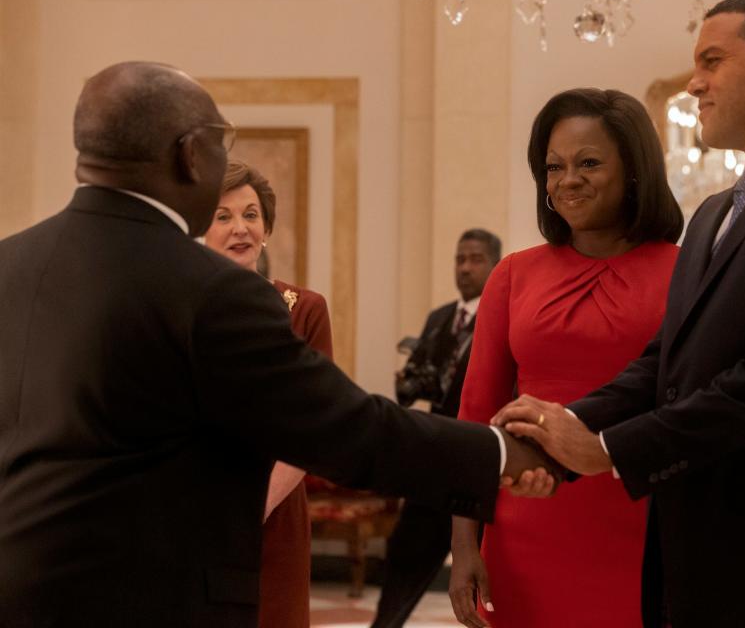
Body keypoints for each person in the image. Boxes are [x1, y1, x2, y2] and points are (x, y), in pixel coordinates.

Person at [0, 61, 556, 628]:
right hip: (158, 602)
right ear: (192, 154)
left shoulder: (9, 266)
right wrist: (501, 454)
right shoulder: (213, 290)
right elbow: (348, 430)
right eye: (223, 142)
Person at [494, 0, 745, 628]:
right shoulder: (715, 211)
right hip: (695, 555)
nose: (694, 83)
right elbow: (667, 362)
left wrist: (607, 451)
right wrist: (560, 429)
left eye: (712, 61)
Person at [451, 88, 683, 628]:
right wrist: (464, 547)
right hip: (526, 528)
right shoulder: (512, 275)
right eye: (553, 166)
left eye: (589, 162)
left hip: (646, 527)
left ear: (634, 170)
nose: (567, 180)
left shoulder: (688, 271)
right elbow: (474, 417)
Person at [203, 159, 329, 628]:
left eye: (251, 215)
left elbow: (312, 430)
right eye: (223, 216)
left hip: (274, 514)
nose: (240, 228)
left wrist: (254, 507)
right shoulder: (173, 307)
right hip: (196, 513)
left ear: (267, 228)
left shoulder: (305, 311)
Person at [373, 228, 501, 628]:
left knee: (484, 560)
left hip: (480, 456)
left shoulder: (502, 314)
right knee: (407, 550)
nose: (464, 268)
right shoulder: (439, 318)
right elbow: (419, 384)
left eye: (475, 259)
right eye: (459, 259)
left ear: (495, 265)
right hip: (435, 454)